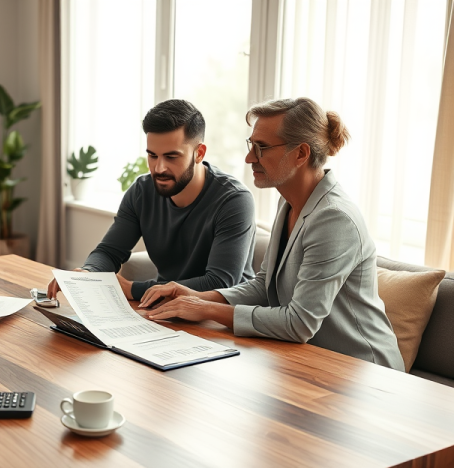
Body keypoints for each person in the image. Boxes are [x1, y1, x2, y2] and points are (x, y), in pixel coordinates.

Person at [140, 98, 404, 370]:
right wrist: (195, 297)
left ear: (301, 154)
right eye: (251, 145)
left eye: (262, 147)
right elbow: (264, 286)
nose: (249, 158)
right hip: (313, 361)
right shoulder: (288, 202)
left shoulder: (334, 218)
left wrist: (206, 309)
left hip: (366, 370)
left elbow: (299, 323)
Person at [48, 99, 256, 302]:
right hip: (162, 307)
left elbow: (220, 282)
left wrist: (133, 289)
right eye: (153, 156)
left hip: (221, 314)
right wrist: (89, 272)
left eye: (171, 157)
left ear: (199, 153)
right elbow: (109, 252)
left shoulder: (234, 200)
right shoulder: (141, 191)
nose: (159, 168)